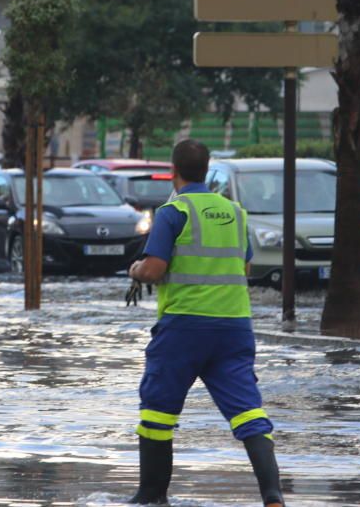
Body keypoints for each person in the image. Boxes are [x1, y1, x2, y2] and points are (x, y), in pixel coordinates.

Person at [127, 139, 284, 506]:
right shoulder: (235, 211)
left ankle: (151, 495)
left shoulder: (173, 211)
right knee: (248, 410)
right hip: (234, 327)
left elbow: (154, 268)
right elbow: (243, 265)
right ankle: (273, 494)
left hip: (184, 327)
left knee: (157, 409)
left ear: (173, 170)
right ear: (208, 169)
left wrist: (135, 269)